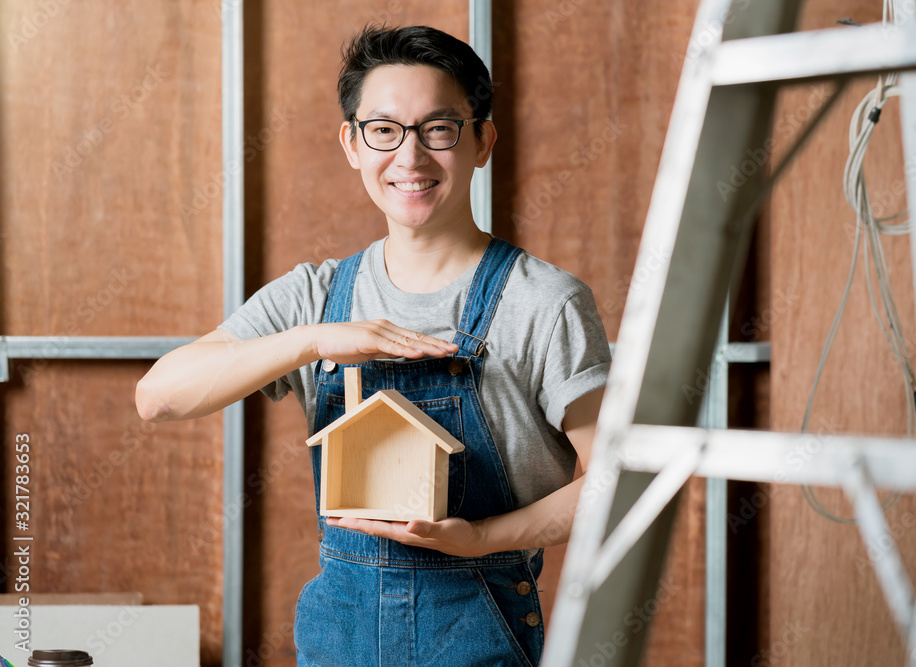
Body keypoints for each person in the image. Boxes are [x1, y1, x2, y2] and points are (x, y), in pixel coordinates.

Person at [135, 24, 610, 666]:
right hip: (339, 637)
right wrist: (313, 342)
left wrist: (481, 537)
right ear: (352, 144)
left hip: (479, 634)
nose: (409, 158)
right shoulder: (315, 297)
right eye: (383, 130)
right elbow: (158, 397)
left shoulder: (545, 303)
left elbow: (618, 481)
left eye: (438, 129)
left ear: (482, 141)